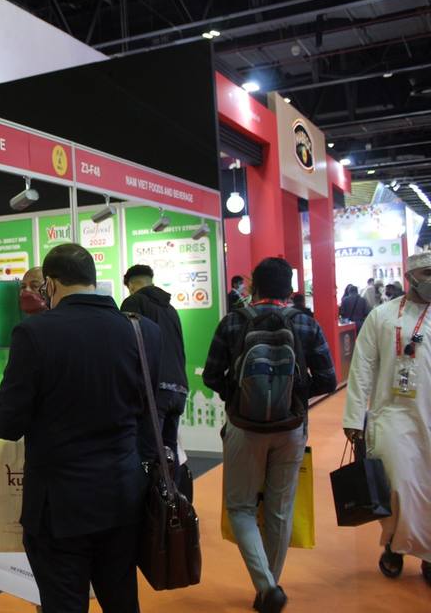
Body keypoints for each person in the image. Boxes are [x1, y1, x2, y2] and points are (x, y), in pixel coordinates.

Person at [0, 243, 161, 613]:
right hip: (124, 492)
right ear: (93, 280)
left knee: (63, 603)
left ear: (51, 285)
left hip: (59, 503)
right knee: (122, 600)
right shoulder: (143, 331)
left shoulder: (34, 333)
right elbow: (150, 411)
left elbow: (7, 423)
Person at [204, 257, 336, 613]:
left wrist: (240, 397)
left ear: (254, 286)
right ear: (289, 287)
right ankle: (269, 587)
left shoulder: (233, 321)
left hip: (244, 428)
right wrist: (294, 398)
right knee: (280, 510)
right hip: (291, 429)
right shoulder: (305, 323)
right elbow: (328, 379)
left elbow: (212, 375)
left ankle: (266, 586)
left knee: (241, 507)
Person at [344, 250, 431, 586]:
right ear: (410, 277)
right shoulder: (381, 316)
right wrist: (354, 418)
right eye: (427, 274)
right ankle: (395, 544)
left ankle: (427, 553)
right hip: (392, 416)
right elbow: (362, 367)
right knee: (397, 487)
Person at [120, 264, 188, 457]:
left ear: (131, 285)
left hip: (154, 390)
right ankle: (172, 479)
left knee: (147, 454)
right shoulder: (170, 308)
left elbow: (128, 345)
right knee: (169, 452)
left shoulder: (133, 302)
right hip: (179, 388)